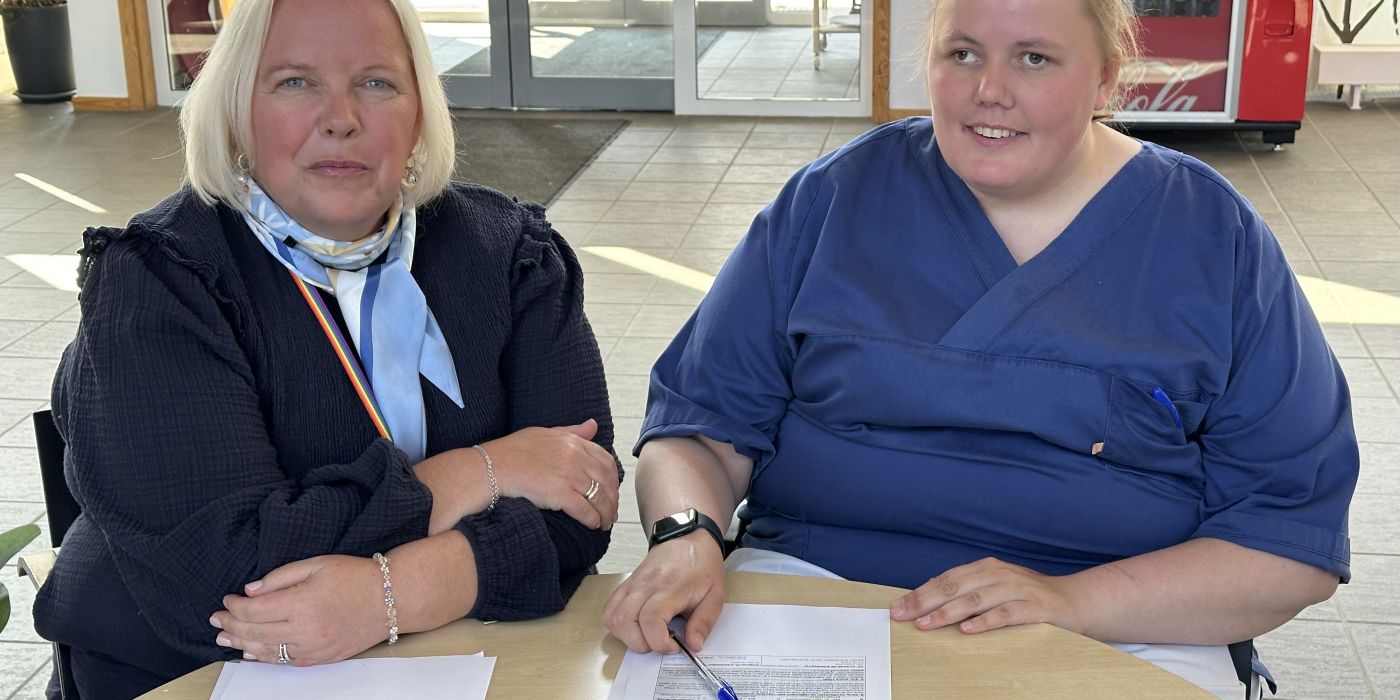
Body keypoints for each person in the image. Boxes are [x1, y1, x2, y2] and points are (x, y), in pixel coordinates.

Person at [602, 0, 1357, 696]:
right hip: (813, 601)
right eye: (962, 54)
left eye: (1034, 58)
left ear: (1105, 77)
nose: (989, 91)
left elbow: (1289, 542)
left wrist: (1072, 600)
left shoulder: (1212, 238)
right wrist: (686, 535)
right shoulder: (833, 199)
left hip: (1120, 624)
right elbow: (701, 430)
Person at [32, 0, 621, 696]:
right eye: (295, 82)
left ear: (419, 113)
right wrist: (485, 471)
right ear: (237, 111)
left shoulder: (512, 254)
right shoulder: (159, 280)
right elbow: (223, 581)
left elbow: (582, 498)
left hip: (464, 657)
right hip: (189, 676)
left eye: (376, 82)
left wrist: (389, 596)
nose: (341, 118)